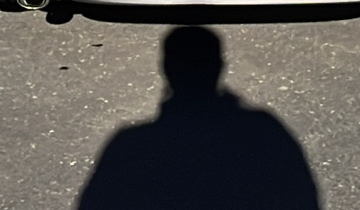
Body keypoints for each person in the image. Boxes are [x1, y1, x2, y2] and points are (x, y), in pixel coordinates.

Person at [78, 26, 320, 210]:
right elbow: (302, 197)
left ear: (166, 69)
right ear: (219, 66)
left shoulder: (132, 148)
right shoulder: (263, 133)